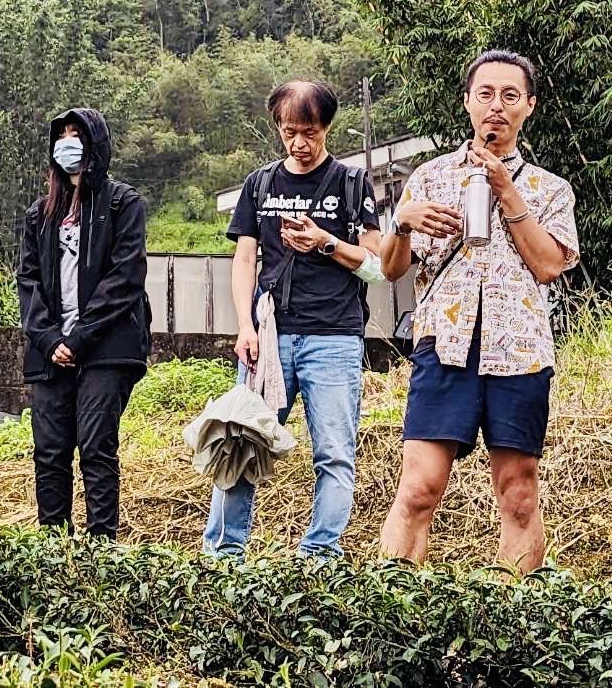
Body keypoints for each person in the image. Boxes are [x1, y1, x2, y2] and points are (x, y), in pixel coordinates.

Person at [379, 50, 578, 572]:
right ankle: (390, 615)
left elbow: (549, 265)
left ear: (529, 106)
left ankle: (520, 622)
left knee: (518, 492)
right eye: (485, 94)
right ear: (467, 102)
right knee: (420, 487)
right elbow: (392, 268)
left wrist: (507, 191)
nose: (497, 106)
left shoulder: (550, 188)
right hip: (444, 345)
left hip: (520, 352)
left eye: (510, 96)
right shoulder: (430, 176)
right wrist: (402, 223)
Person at [203, 80, 382, 557]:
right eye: (289, 132)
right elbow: (245, 260)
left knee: (334, 452)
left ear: (326, 128)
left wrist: (325, 242)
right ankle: (224, 552)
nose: (300, 144)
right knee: (241, 441)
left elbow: (377, 264)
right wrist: (245, 325)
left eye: (310, 132)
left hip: (334, 335)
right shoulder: (260, 183)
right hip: (269, 332)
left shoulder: (351, 182)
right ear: (278, 128)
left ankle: (320, 554)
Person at [18, 108, 150, 538]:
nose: (68, 143)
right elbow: (28, 280)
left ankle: (100, 551)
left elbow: (125, 278)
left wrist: (79, 338)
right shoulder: (41, 213)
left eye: (77, 134)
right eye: (62, 135)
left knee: (96, 447)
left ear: (96, 143)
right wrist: (49, 337)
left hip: (106, 350)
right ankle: (53, 546)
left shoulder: (122, 203)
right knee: (50, 452)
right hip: (50, 353)